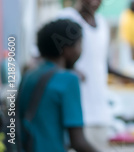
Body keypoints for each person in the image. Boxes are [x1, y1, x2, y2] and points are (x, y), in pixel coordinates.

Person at [58, 0, 134, 150]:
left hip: (100, 113)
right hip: (73, 115)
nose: (93, 0)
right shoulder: (66, 20)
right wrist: (69, 70)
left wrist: (133, 80)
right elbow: (42, 58)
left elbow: (104, 66)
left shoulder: (102, 24)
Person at [18, 19, 97, 152]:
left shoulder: (29, 75)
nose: (80, 50)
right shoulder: (68, 80)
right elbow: (78, 142)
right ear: (67, 50)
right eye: (79, 45)